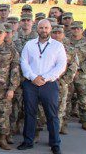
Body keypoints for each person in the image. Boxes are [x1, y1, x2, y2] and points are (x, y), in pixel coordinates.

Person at [18, 18, 66, 154]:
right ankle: (28, 141)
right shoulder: (29, 44)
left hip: (49, 84)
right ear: (36, 29)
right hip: (31, 83)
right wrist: (33, 77)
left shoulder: (57, 46)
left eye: (46, 28)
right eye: (41, 28)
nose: (43, 30)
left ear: (50, 29)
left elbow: (61, 66)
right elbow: (24, 62)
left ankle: (55, 143)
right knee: (29, 113)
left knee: (52, 115)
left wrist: (45, 78)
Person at [67, 21, 86, 131]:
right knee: (66, 99)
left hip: (82, 75)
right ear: (70, 29)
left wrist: (79, 69)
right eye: (74, 28)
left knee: (83, 99)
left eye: (78, 28)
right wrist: (70, 69)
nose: (76, 30)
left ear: (82, 29)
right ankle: (64, 123)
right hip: (68, 74)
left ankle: (85, 120)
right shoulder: (66, 41)